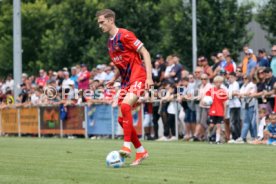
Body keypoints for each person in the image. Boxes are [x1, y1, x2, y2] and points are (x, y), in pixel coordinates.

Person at [96, 9, 153, 166]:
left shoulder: (125, 35)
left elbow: (145, 52)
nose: (100, 26)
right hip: (126, 82)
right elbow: (121, 64)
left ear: (111, 20)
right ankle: (141, 151)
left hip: (139, 77)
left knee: (125, 106)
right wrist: (113, 78)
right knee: (122, 119)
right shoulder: (110, 42)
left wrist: (149, 77)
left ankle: (126, 147)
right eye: (99, 23)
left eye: (102, 22)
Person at [206, 76, 228, 144]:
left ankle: (217, 140)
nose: (218, 83)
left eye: (220, 82)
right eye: (217, 82)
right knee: (212, 125)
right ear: (214, 83)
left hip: (220, 111)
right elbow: (206, 99)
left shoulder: (223, 91)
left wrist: (225, 112)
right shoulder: (211, 90)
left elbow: (225, 103)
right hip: (212, 110)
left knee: (219, 126)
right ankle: (209, 134)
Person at [227, 72, 242, 142]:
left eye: (231, 77)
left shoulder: (236, 84)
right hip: (231, 105)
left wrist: (229, 94)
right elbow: (230, 94)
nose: (230, 79)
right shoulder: (230, 85)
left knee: (235, 122)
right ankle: (234, 137)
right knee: (233, 122)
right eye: (229, 77)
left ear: (235, 78)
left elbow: (235, 93)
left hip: (236, 105)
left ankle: (237, 137)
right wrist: (230, 94)